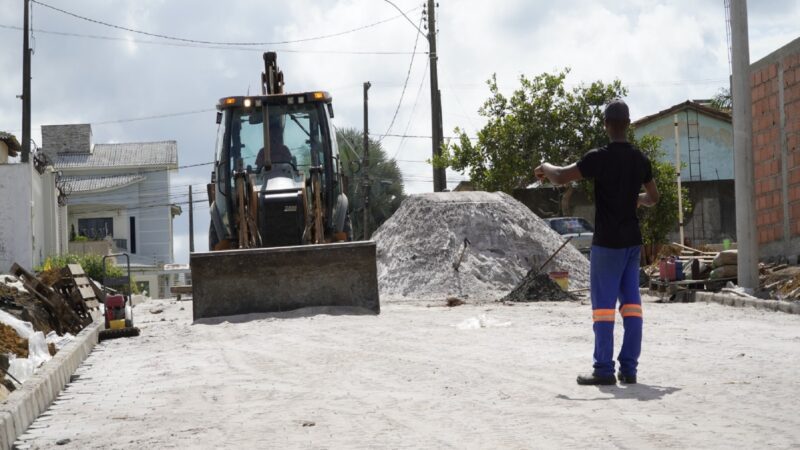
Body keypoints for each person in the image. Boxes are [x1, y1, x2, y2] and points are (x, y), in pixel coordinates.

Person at [534, 99, 659, 385]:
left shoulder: (598, 158)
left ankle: (603, 370)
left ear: (606, 125)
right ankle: (629, 369)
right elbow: (653, 198)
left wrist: (544, 165)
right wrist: (633, 199)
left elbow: (562, 176)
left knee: (603, 307)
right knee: (632, 307)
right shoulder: (640, 160)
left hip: (607, 245)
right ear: (628, 124)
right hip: (631, 244)